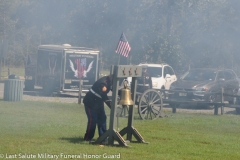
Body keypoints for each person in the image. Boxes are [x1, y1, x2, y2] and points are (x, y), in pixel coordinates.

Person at [83, 75, 113, 141]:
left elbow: (113, 89)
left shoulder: (110, 81)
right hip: (90, 102)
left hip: (98, 102)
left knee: (102, 118)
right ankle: (88, 138)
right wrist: (112, 107)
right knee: (93, 120)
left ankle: (103, 138)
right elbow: (104, 95)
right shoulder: (103, 83)